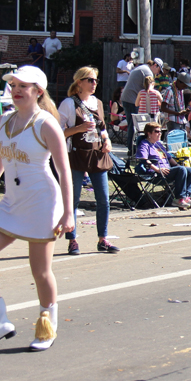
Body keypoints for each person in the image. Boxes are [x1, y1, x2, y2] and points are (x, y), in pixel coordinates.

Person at [0, 66, 73, 352]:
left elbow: (63, 170)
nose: (17, 90)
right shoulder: (3, 121)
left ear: (38, 91)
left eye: (25, 86)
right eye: (14, 85)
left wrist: (68, 212)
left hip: (42, 202)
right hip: (11, 202)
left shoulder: (45, 123)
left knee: (40, 271)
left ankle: (47, 325)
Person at [58, 67, 119, 254]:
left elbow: (102, 128)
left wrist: (107, 140)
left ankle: (103, 239)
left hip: (97, 155)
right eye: (90, 80)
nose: (94, 84)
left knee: (103, 199)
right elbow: (58, 133)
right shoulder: (68, 104)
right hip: (76, 154)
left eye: (96, 80)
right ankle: (72, 240)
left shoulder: (98, 103)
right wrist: (79, 128)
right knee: (73, 199)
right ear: (79, 82)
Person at [136, 122, 191, 209]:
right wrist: (156, 169)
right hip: (156, 173)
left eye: (161, 131)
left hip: (167, 170)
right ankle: (178, 199)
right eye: (157, 131)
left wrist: (177, 165)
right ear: (149, 133)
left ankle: (186, 197)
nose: (160, 133)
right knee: (181, 170)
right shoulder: (144, 144)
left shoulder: (158, 144)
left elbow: (169, 158)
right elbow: (143, 159)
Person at [120, 58, 163, 152]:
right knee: (136, 125)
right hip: (132, 99)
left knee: (132, 124)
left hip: (127, 98)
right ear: (155, 65)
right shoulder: (148, 72)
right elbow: (149, 92)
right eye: (158, 70)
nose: (157, 73)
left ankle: (132, 149)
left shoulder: (142, 67)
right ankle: (134, 150)